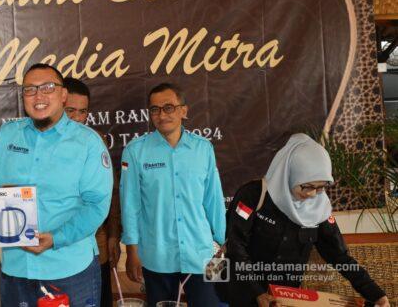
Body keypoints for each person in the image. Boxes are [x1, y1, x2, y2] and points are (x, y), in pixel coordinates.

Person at [0, 64, 113, 307]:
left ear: (63, 95)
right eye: (30, 89)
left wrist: (56, 238)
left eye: (47, 87)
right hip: (16, 268)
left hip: (68, 269)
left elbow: (96, 206)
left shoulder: (88, 142)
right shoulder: (9, 134)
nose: (38, 96)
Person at [222, 133, 390, 307]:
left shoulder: (318, 208)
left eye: (320, 187)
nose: (312, 194)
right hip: (246, 294)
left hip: (285, 298)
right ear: (289, 175)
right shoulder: (254, 195)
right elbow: (235, 246)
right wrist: (258, 293)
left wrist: (376, 294)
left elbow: (339, 256)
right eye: (307, 186)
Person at [120, 82, 225, 306]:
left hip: (204, 252)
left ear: (183, 110)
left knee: (214, 302)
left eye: (168, 107)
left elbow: (214, 200)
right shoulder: (135, 151)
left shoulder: (203, 148)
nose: (162, 115)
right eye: (155, 109)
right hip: (156, 255)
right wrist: (132, 251)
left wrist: (223, 243)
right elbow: (130, 205)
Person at [63, 77, 122, 307]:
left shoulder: (96, 141)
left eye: (82, 112)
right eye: (70, 111)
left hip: (95, 244)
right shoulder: (39, 142)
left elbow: (111, 191)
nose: (77, 118)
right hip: (54, 247)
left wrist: (113, 235)